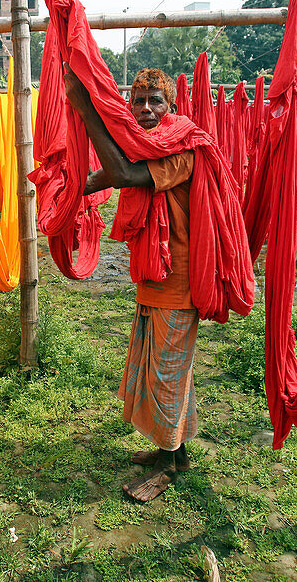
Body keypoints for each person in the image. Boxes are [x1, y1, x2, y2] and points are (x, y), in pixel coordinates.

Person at [64, 63, 198, 503]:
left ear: (171, 106)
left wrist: (85, 108)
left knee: (165, 373)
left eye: (154, 101)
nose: (144, 108)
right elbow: (111, 172)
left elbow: (121, 175)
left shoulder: (180, 149)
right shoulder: (146, 149)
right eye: (136, 100)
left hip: (177, 283)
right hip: (153, 278)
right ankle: (176, 454)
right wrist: (67, 192)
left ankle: (166, 465)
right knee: (170, 369)